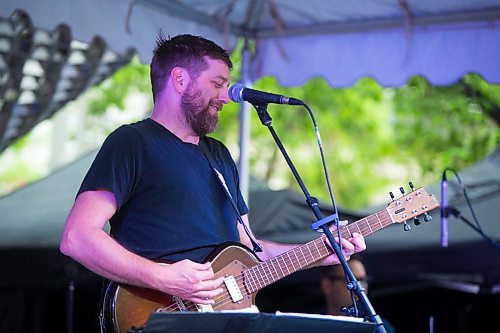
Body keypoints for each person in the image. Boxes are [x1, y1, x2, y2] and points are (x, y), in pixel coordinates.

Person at [60, 34, 366, 319]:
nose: (226, 96)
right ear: (179, 79)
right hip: (157, 316)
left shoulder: (219, 155)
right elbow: (77, 237)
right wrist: (163, 277)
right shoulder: (132, 143)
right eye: (217, 83)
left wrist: (321, 252)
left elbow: (252, 251)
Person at [321, 254, 396, 332]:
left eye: (363, 281)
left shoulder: (380, 327)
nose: (360, 288)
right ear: (327, 285)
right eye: (351, 282)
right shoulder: (311, 325)